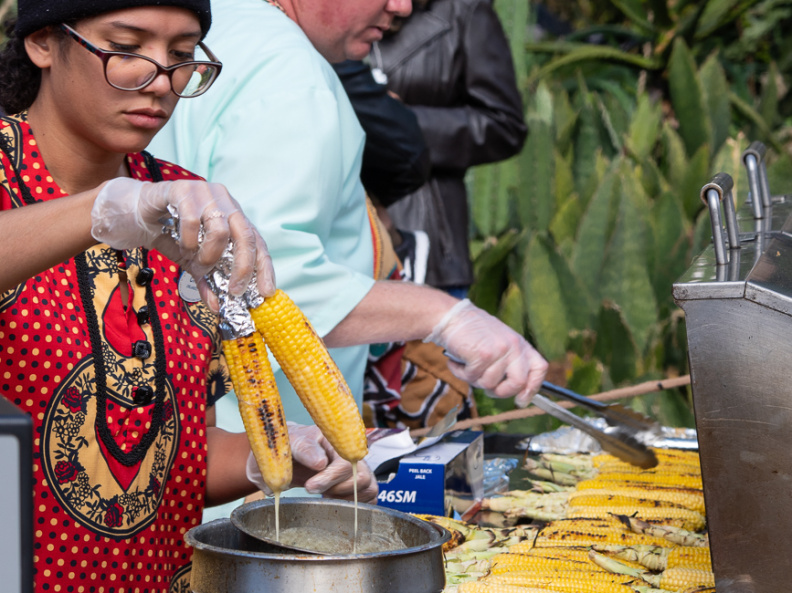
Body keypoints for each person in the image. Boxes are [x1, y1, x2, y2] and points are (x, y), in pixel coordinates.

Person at [0, 1, 376, 591]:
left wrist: (271, 457)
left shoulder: (184, 206)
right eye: (126, 49)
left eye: (180, 56)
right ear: (44, 43)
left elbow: (174, 450)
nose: (161, 81)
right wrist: (104, 210)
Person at [151, 0, 548, 517]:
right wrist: (445, 317)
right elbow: (265, 279)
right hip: (247, 478)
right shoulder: (291, 72)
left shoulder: (207, 29)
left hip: (172, 444)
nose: (402, 6)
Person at [371, 0, 529, 297]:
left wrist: (399, 122)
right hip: (339, 234)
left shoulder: (463, 10)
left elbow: (505, 125)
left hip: (427, 238)